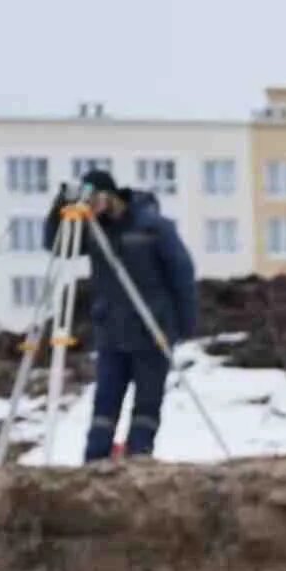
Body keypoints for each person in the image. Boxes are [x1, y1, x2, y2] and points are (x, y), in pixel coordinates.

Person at [43, 168, 197, 462]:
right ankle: (95, 461)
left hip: (152, 329)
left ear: (111, 196)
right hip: (112, 330)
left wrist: (184, 326)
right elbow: (57, 245)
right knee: (105, 402)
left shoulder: (152, 226)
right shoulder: (95, 230)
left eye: (96, 200)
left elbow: (182, 274)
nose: (92, 208)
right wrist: (59, 208)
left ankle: (139, 456)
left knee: (147, 402)